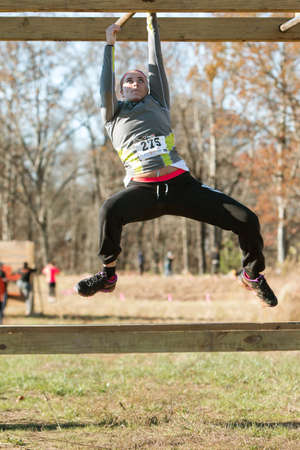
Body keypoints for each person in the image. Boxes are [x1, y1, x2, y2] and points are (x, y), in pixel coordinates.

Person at [75, 13, 278, 307]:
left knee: (248, 220)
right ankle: (107, 274)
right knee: (109, 210)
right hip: (142, 191)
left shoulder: (158, 102)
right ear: (121, 90)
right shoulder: (113, 114)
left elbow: (155, 62)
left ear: (148, 87)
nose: (134, 81)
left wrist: (151, 21)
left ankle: (252, 276)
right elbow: (104, 85)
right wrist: (109, 44)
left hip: (182, 187)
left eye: (140, 79)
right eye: (128, 80)